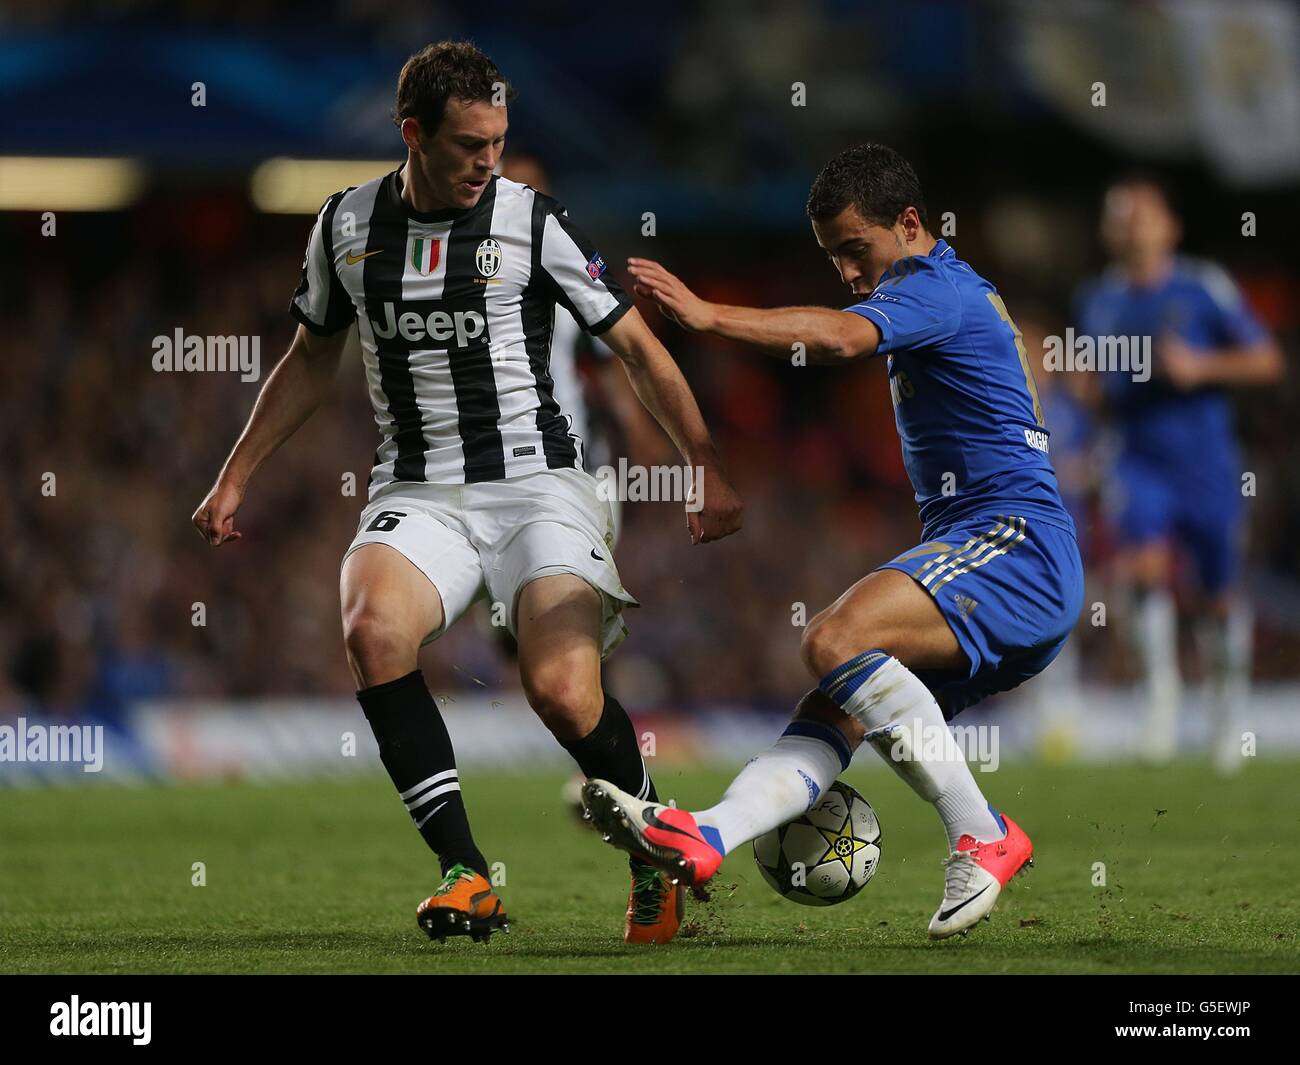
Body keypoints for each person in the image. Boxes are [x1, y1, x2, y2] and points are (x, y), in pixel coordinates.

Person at [192, 41, 742, 945]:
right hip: (418, 489)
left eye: (499, 141)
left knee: (564, 693)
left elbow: (637, 346)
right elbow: (308, 358)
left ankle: (656, 847)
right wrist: (236, 472)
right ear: (413, 134)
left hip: (539, 487)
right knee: (372, 627)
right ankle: (466, 872)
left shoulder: (533, 223)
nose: (489, 161)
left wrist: (705, 462)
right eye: (469, 145)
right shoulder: (344, 226)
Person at [583, 142, 1083, 939]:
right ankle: (708, 834)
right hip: (993, 552)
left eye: (856, 249)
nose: (849, 272)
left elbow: (844, 338)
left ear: (910, 223)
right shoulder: (940, 293)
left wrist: (710, 316)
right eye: (833, 258)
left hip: (1017, 547)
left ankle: (981, 830)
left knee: (833, 638)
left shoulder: (935, 286)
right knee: (833, 709)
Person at [1076, 176, 1282, 772]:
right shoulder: (1098, 299)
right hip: (1137, 459)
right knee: (1140, 564)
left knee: (1218, 593)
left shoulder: (1203, 287)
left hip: (1205, 462)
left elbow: (1267, 358)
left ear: (1170, 225)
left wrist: (1203, 366)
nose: (1129, 225)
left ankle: (1227, 710)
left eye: (1140, 214)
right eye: (1118, 216)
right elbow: (1094, 380)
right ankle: (1160, 702)